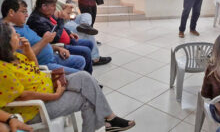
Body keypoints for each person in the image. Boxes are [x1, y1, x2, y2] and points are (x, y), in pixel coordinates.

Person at [0, 22, 135, 132]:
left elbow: (34, 69)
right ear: (5, 41)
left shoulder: (15, 55)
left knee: (84, 77)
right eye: (14, 34)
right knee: (87, 100)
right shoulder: (3, 70)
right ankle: (109, 121)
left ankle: (109, 118)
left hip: (49, 86)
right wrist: (56, 96)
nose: (18, 35)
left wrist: (28, 50)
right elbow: (24, 96)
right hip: (34, 109)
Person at [34, 0, 110, 66]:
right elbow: (60, 17)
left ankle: (84, 25)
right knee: (88, 34)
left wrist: (65, 12)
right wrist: (64, 13)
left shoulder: (53, 0)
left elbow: (68, 7)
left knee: (87, 15)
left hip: (68, 20)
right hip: (65, 24)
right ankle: (95, 58)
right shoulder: (43, 6)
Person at [1, 0, 85, 74]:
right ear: (11, 12)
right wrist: (44, 40)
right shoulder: (9, 33)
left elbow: (38, 41)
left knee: (81, 60)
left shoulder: (22, 25)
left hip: (52, 56)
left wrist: (57, 48)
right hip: (44, 65)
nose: (27, 15)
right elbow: (23, 58)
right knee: (82, 75)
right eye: (23, 11)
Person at [27, 0, 94, 74]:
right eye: (53, 6)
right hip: (59, 45)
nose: (55, 8)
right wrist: (61, 19)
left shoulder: (46, 14)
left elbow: (56, 26)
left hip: (63, 43)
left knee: (89, 43)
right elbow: (55, 37)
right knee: (85, 51)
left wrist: (69, 33)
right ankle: (87, 77)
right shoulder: (37, 20)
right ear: (44, 6)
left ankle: (88, 75)